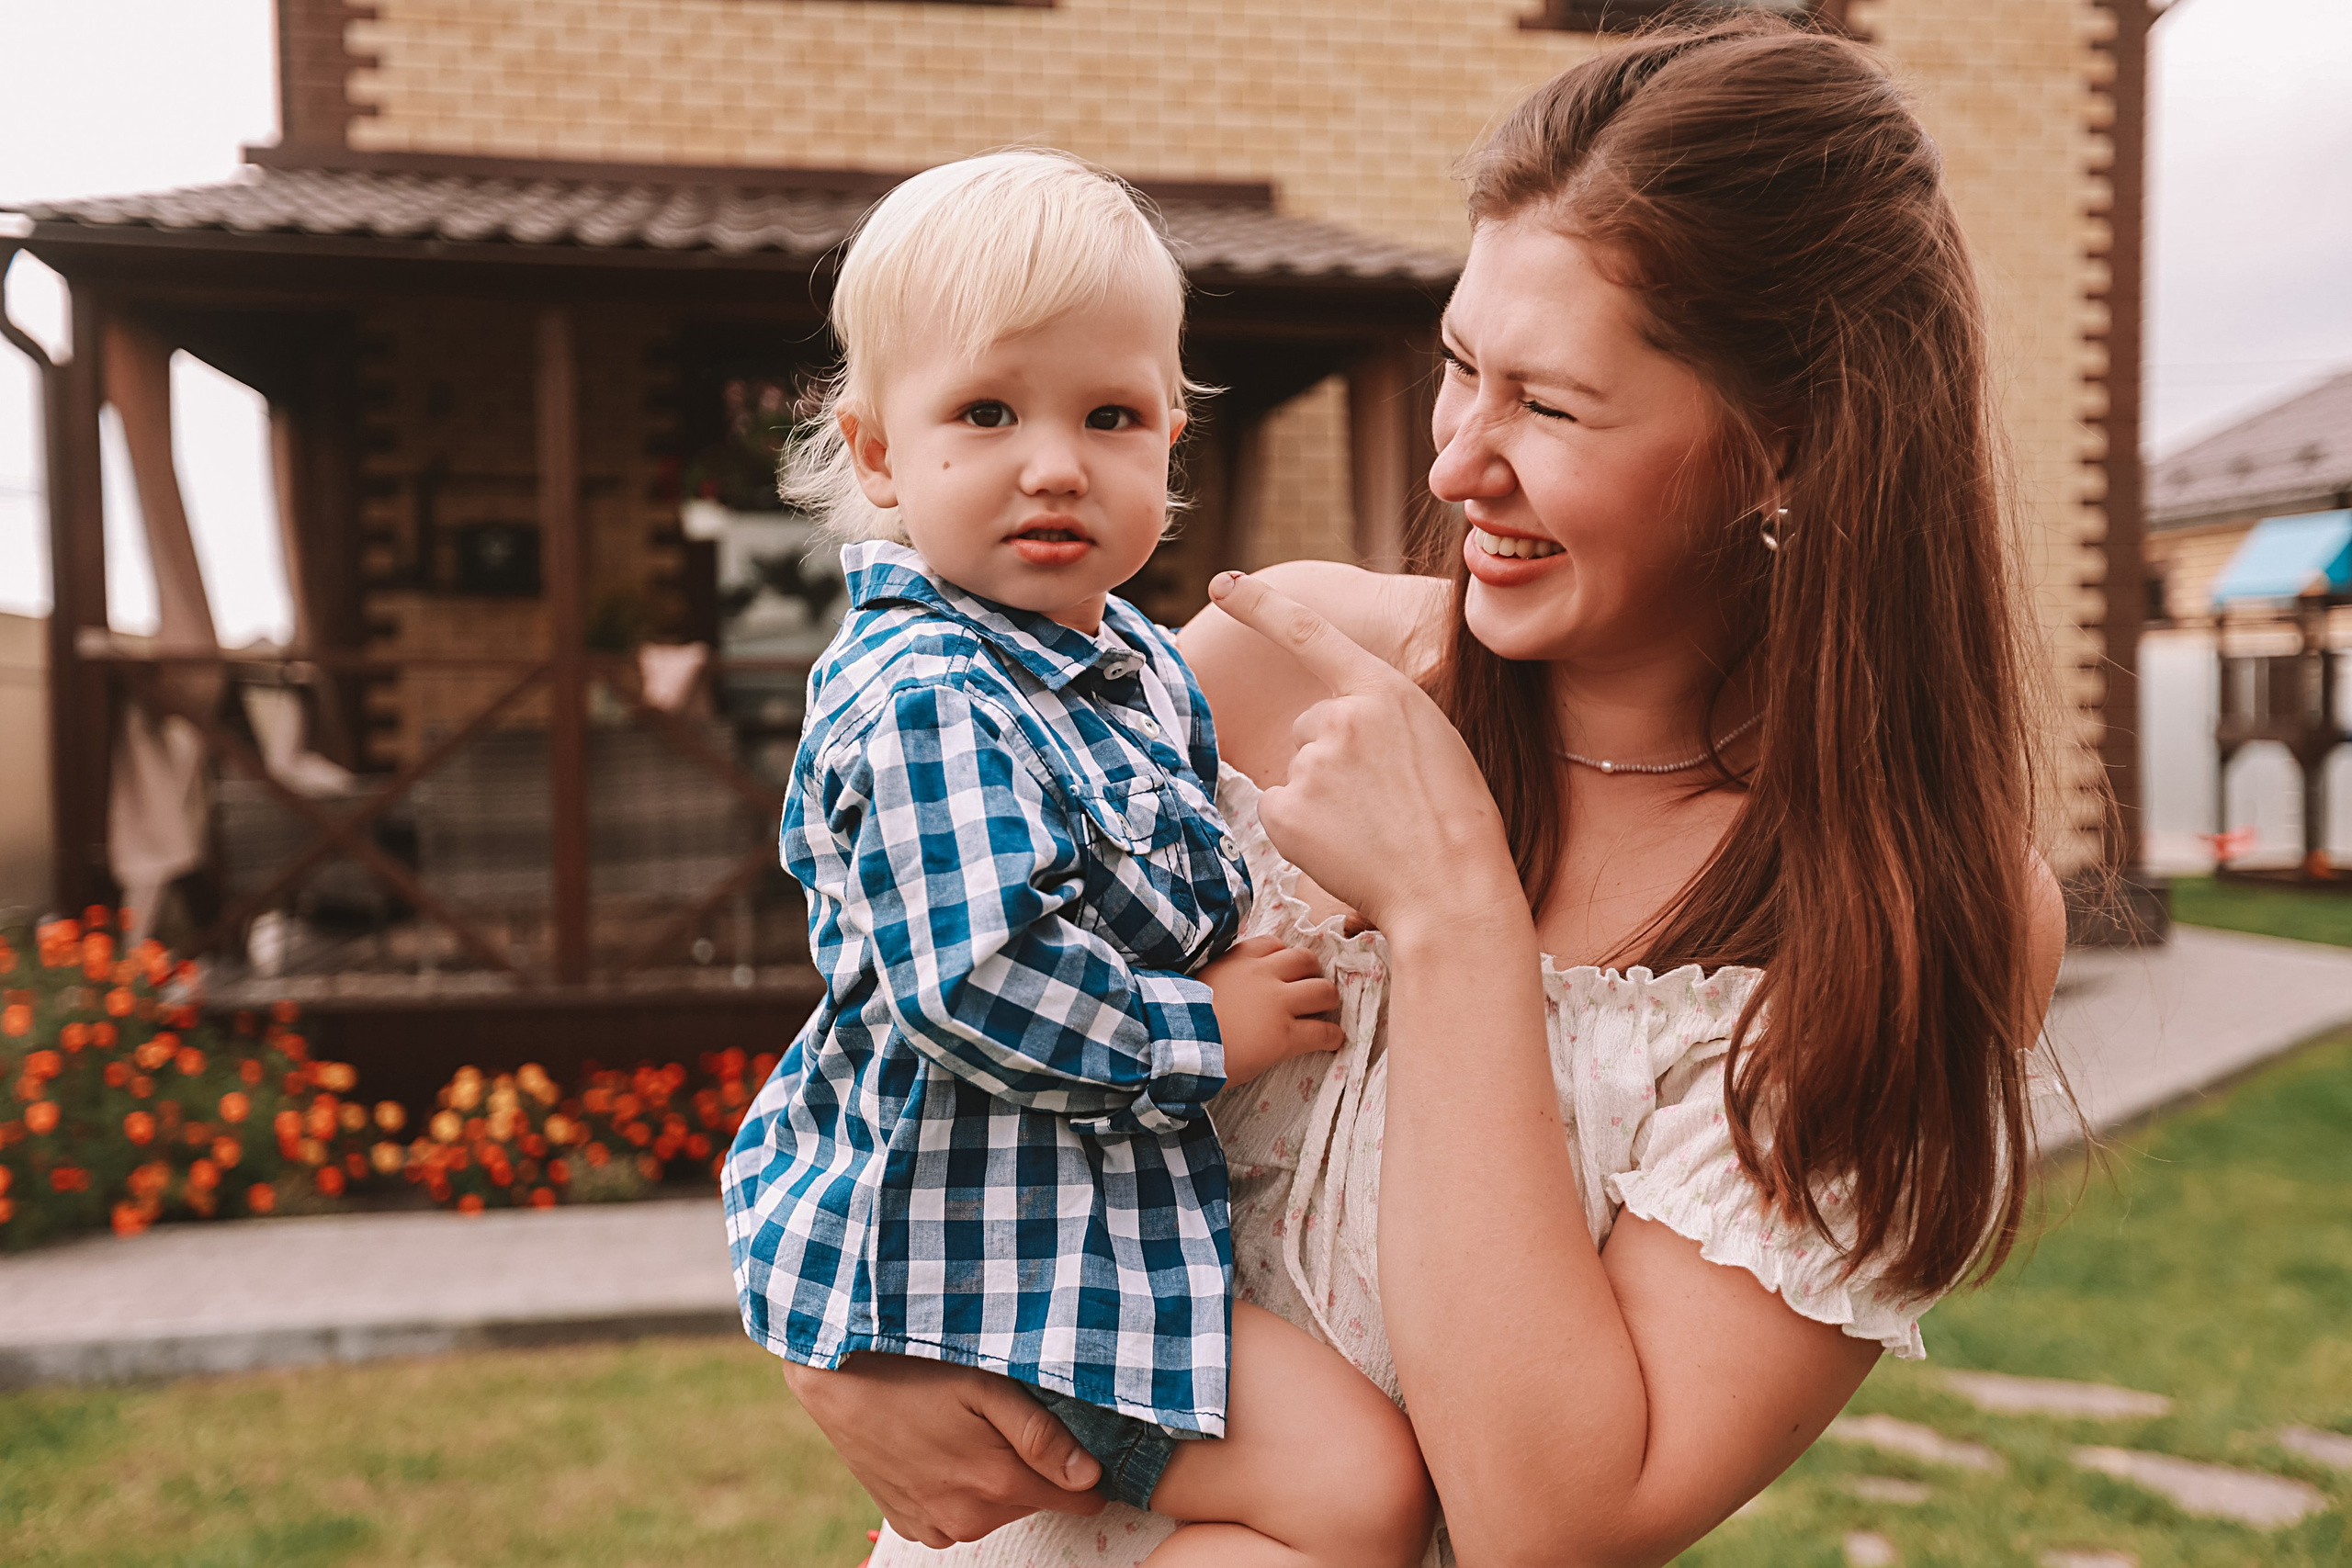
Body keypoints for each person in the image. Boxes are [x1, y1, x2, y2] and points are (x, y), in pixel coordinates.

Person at [795, 17, 2075, 1568]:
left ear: (1790, 451)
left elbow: (1557, 1524)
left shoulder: (1913, 919)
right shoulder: (1273, 669)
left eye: (1551, 405)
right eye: (1461, 365)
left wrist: (1456, 911)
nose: (1460, 460)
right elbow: (916, 978)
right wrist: (827, 1344)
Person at [721, 151, 1435, 1567]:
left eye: (1110, 415)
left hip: (1078, 1243)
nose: (1054, 463)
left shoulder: (1126, 668)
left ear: (1171, 439)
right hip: (983, 1266)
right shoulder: (931, 692)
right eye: (985, 411)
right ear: (876, 453)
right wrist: (1205, 1026)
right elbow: (975, 980)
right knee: (1358, 1490)